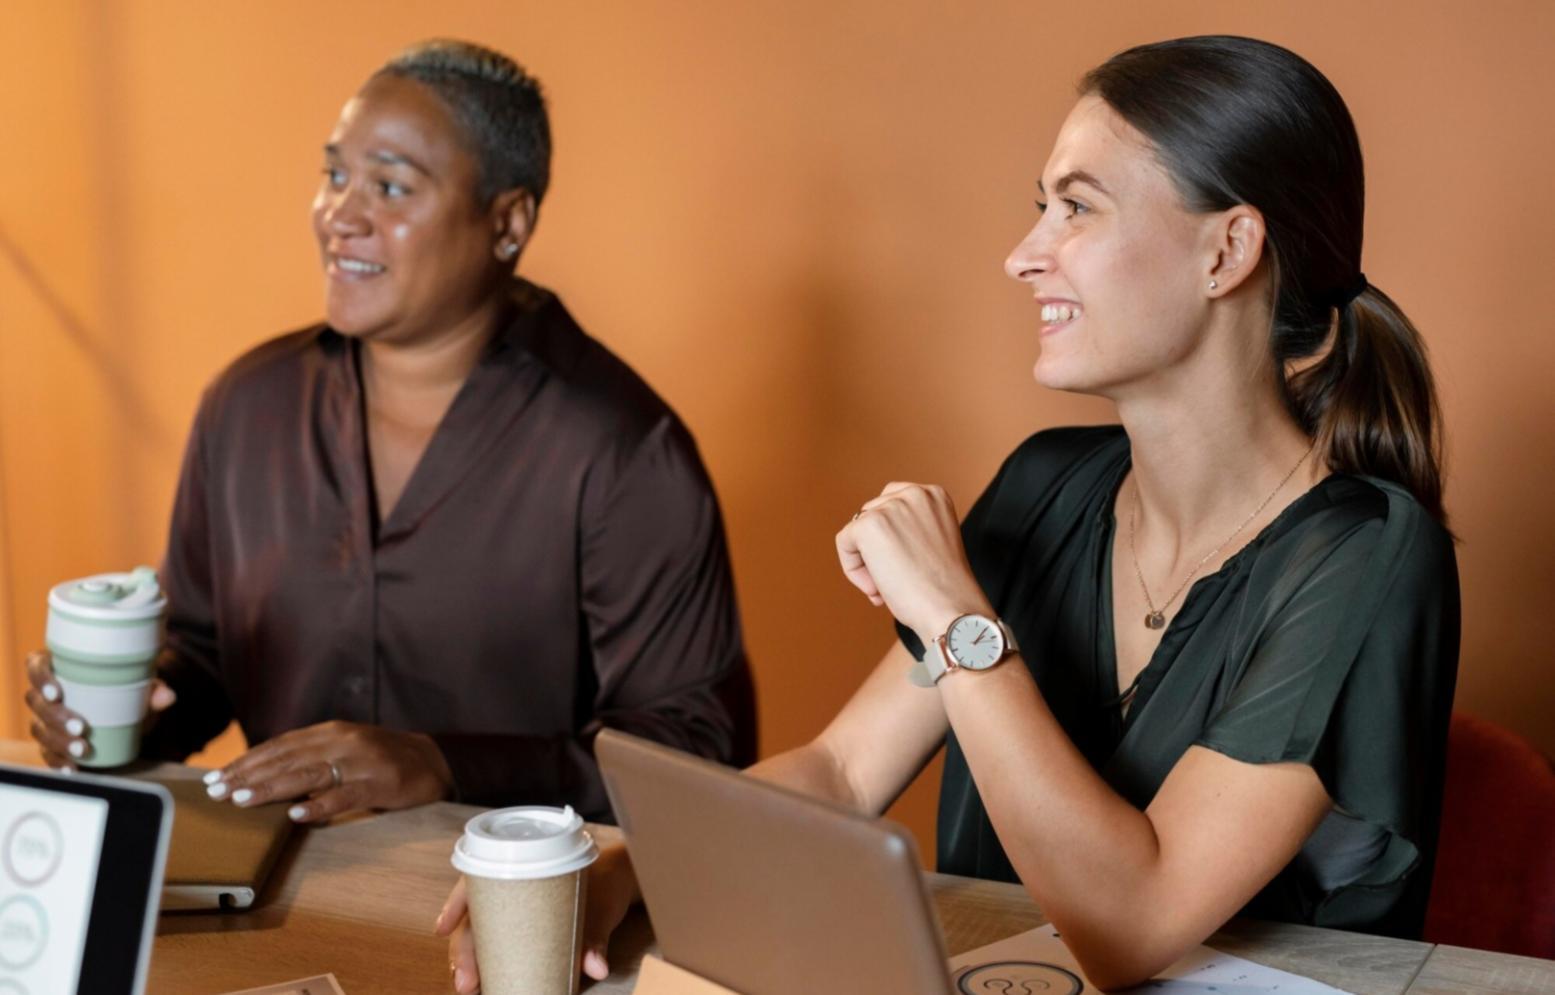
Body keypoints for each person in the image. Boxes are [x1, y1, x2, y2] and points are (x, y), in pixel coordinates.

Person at [439, 35, 1458, 991]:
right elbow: (840, 771)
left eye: (1076, 208)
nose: (1024, 253)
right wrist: (622, 866)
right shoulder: (1044, 485)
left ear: (1227, 250)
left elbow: (1131, 920)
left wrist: (956, 619)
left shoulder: (1365, 554)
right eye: (1039, 206)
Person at [23, 39, 753, 824]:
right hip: (271, 899)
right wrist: (119, 706)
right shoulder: (247, 407)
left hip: (509, 914)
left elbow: (697, 747)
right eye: (335, 175)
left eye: (391, 187)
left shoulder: (621, 451)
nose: (342, 215)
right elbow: (206, 654)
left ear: (508, 221)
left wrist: (444, 764)